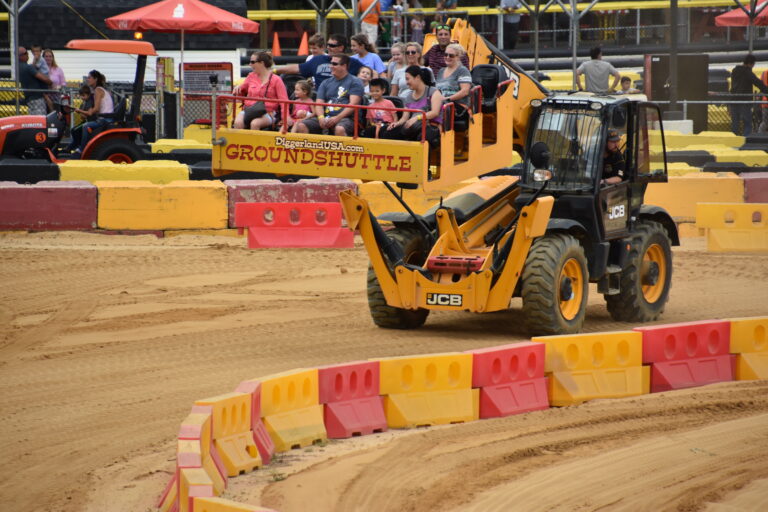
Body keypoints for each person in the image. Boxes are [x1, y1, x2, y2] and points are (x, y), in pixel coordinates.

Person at [295, 54, 364, 137]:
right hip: (326, 116)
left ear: (344, 66)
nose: (330, 66)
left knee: (339, 129)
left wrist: (337, 118)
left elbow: (353, 105)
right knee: (301, 125)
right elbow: (319, 104)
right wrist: (321, 117)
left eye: (334, 64)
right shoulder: (325, 83)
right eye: (331, 63)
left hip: (348, 119)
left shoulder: (355, 81)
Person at [275, 34, 362, 88]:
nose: (328, 47)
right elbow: (297, 68)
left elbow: (370, 73)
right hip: (320, 98)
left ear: (341, 48)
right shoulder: (318, 59)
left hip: (341, 99)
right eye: (327, 45)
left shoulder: (352, 62)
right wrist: (274, 70)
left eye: (332, 45)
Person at [387, 65, 444, 148]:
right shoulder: (408, 96)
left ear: (417, 77)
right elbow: (404, 118)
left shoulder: (434, 92)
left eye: (408, 79)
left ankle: (423, 160)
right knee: (389, 133)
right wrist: (397, 123)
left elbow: (435, 113)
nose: (406, 82)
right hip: (414, 126)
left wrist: (416, 118)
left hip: (431, 126)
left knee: (423, 138)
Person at [233, 51, 289, 130]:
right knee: (238, 122)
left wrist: (285, 119)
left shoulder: (276, 79)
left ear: (261, 63)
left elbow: (284, 101)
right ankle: (239, 142)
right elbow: (242, 91)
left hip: (267, 112)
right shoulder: (250, 76)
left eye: (252, 62)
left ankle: (253, 142)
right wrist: (238, 88)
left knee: (255, 123)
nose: (250, 64)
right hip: (250, 110)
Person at [73, 69, 113, 156]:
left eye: (89, 77)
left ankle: (82, 150)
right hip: (105, 117)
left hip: (105, 119)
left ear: (95, 79)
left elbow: (96, 109)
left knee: (86, 126)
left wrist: (81, 111)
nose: (88, 79)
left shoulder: (98, 90)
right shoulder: (101, 90)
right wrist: (89, 111)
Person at [729, 54, 768, 137]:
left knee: (735, 123)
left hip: (733, 100)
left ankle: (733, 141)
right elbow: (758, 83)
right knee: (747, 123)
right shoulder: (747, 72)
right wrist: (766, 91)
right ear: (751, 63)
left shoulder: (735, 70)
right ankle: (747, 142)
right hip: (744, 101)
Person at [435, 43, 472, 122]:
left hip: (458, 106)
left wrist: (447, 99)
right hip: (442, 104)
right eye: (446, 55)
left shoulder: (462, 71)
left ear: (458, 57)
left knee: (440, 107)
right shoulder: (441, 71)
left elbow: (465, 91)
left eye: (451, 55)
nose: (447, 57)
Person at [18, 46, 52, 116]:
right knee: (40, 120)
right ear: (21, 56)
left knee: (33, 120)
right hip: (37, 98)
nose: (27, 55)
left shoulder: (18, 67)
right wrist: (50, 82)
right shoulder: (28, 67)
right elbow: (44, 79)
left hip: (29, 98)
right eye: (26, 53)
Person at [67, 86, 95, 152]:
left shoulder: (90, 102)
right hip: (85, 120)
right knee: (74, 130)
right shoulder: (84, 103)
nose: (82, 97)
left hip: (90, 121)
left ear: (88, 95)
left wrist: (79, 111)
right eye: (81, 96)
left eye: (83, 95)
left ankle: (78, 144)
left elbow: (88, 114)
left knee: (75, 131)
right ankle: (75, 144)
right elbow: (83, 116)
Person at [760, 67, 768, 134]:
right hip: (765, 101)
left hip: (764, 101)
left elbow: (760, 85)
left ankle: (760, 135)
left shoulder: (763, 73)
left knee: (765, 121)